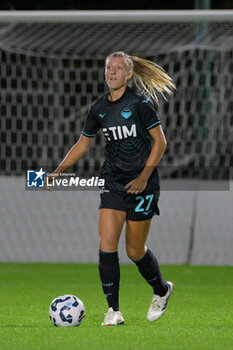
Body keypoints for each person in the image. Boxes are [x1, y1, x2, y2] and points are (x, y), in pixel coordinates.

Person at [45, 51, 175, 326]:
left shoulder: (140, 104)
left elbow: (160, 142)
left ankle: (162, 290)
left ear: (128, 74)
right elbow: (83, 144)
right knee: (106, 244)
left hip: (144, 185)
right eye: (108, 68)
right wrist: (58, 171)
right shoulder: (98, 109)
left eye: (118, 68)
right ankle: (113, 311)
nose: (112, 72)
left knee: (134, 251)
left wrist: (143, 177)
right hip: (113, 182)